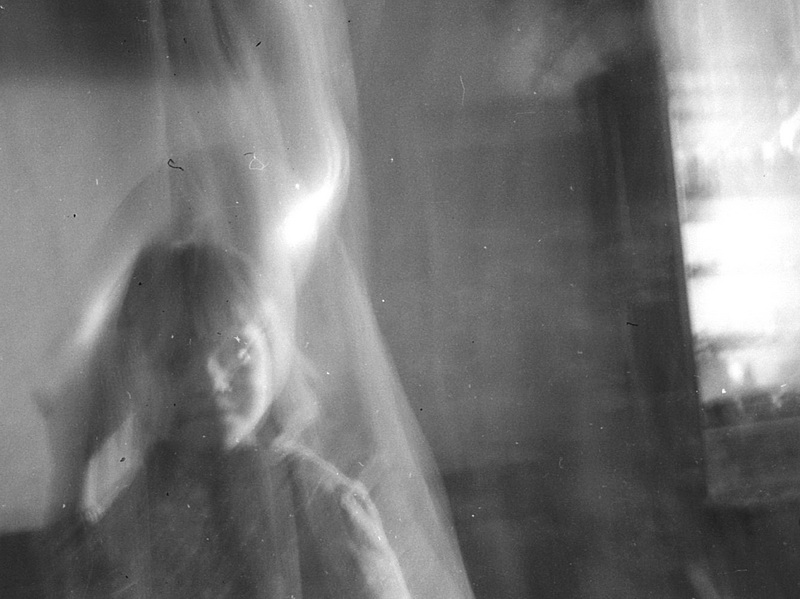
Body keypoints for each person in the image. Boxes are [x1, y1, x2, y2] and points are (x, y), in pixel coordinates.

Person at [41, 239, 412, 598]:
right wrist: (70, 465)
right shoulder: (135, 509)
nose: (210, 381)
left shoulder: (320, 501)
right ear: (135, 374)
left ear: (272, 350)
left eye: (237, 349)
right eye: (176, 358)